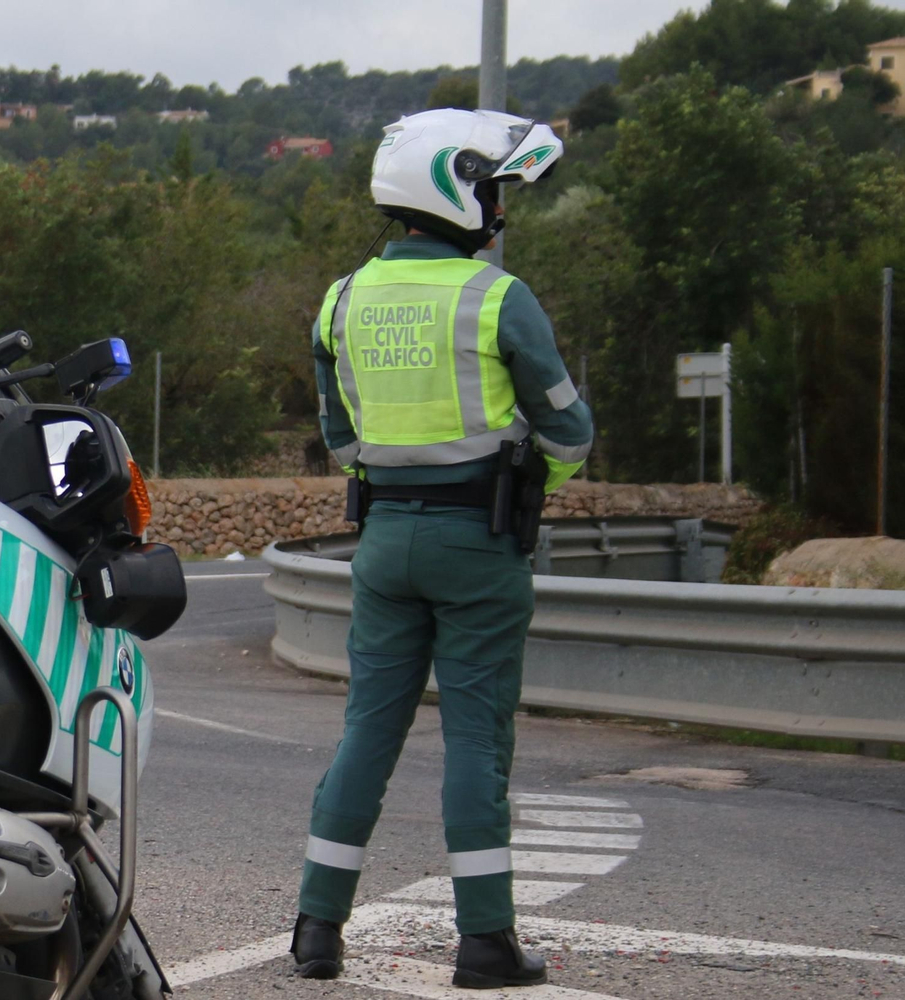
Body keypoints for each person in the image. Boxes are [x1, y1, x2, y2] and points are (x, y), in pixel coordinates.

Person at [292, 108, 594, 990]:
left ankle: (316, 929)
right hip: (479, 543)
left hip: (383, 541)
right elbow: (570, 433)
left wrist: (398, 475)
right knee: (475, 741)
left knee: (366, 733)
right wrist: (520, 481)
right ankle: (486, 944)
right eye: (493, 190)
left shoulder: (340, 300)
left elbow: (338, 436)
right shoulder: (496, 296)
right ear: (454, 186)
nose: (499, 210)